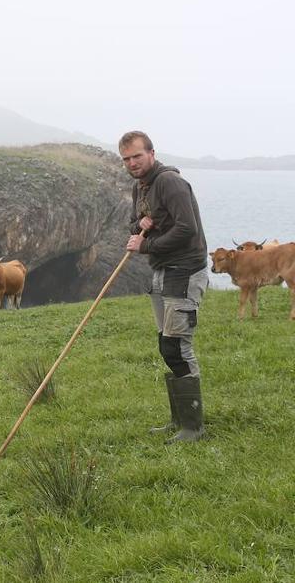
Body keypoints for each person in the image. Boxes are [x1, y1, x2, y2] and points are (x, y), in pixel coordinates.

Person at [119, 131, 209, 443]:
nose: (132, 163)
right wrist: (141, 225)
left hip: (184, 269)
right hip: (161, 270)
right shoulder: (139, 186)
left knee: (177, 345)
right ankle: (179, 419)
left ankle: (193, 427)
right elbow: (136, 223)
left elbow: (187, 228)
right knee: (165, 343)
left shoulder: (170, 182)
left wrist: (146, 245)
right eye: (127, 159)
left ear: (152, 153)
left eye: (137, 156)